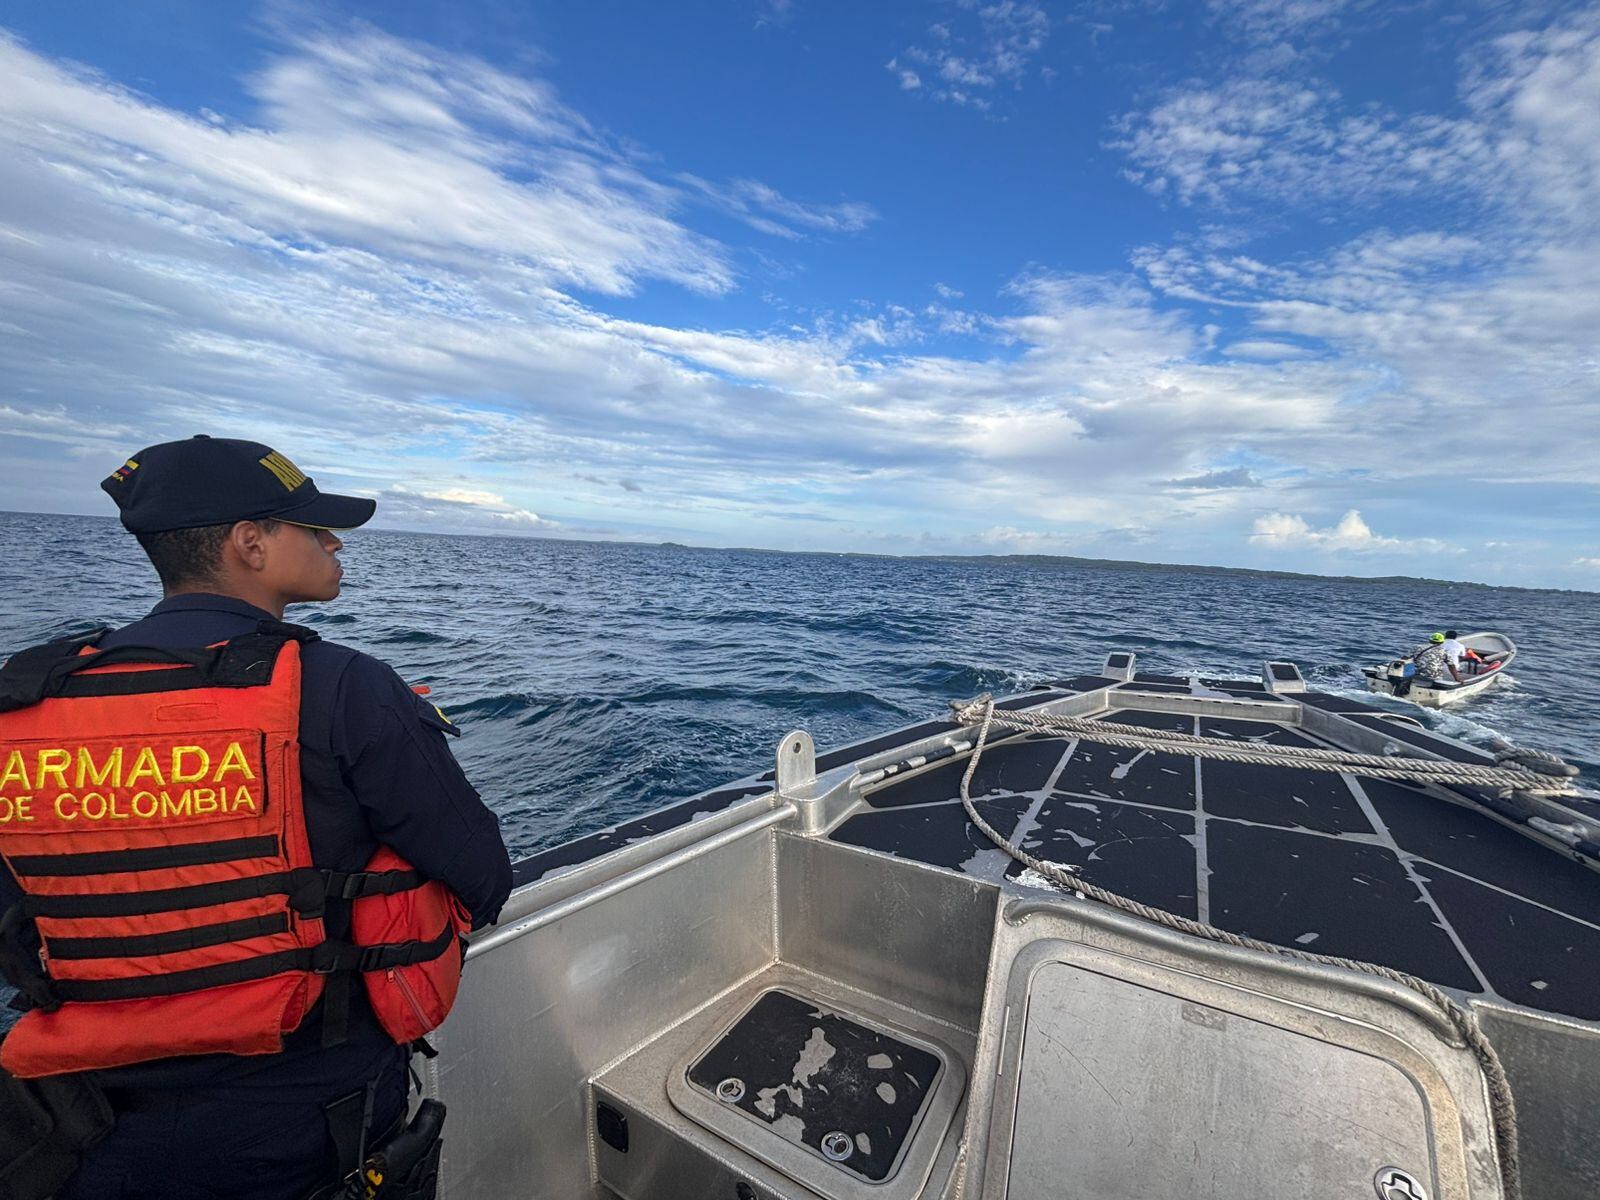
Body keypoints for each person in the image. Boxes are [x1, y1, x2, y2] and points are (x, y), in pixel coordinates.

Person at [0, 436, 513, 1200]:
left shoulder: (29, 696)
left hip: (76, 1128)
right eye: (312, 527)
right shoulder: (343, 687)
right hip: (306, 1120)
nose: (334, 542)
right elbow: (483, 875)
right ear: (250, 544)